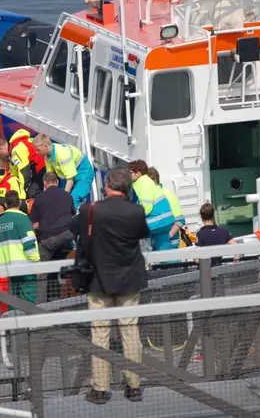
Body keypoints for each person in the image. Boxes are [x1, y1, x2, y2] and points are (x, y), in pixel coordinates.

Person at [69, 168, 148, 405]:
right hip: (129, 278)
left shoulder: (90, 210)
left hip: (98, 279)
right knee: (130, 331)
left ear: (107, 185)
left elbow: (73, 228)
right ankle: (134, 386)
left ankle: (100, 389)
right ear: (127, 187)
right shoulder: (136, 211)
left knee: (100, 334)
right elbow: (142, 234)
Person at [30, 172, 75, 301]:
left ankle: (41, 305)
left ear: (44, 183)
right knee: (65, 268)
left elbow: (34, 223)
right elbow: (71, 213)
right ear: (57, 181)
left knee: (42, 273)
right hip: (66, 237)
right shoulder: (67, 196)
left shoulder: (39, 198)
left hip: (48, 240)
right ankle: (66, 300)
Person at [0, 190, 40, 306]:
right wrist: (37, 263)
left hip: (9, 269)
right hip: (26, 268)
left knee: (14, 302)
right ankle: (27, 324)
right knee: (28, 303)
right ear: (19, 202)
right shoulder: (22, 219)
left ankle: (13, 324)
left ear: (5, 205)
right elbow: (29, 245)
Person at [32, 133, 94, 210]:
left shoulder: (62, 154)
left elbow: (70, 180)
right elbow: (49, 178)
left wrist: (63, 200)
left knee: (73, 200)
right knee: (58, 197)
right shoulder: (48, 156)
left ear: (45, 146)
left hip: (83, 173)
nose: (37, 152)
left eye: (38, 150)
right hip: (68, 176)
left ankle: (71, 218)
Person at [128, 160, 175, 251]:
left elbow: (146, 208)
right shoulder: (147, 182)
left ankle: (139, 260)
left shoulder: (142, 183)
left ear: (138, 173)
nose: (128, 175)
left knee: (133, 230)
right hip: (166, 220)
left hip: (159, 219)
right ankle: (172, 264)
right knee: (165, 253)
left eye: (130, 172)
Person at [147, 167, 186, 248]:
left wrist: (168, 236)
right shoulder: (150, 195)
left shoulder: (167, 195)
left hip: (168, 245)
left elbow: (180, 220)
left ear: (154, 180)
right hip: (155, 245)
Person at [9, 129, 46, 199]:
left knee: (31, 194)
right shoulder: (30, 140)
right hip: (49, 166)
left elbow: (24, 172)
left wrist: (22, 191)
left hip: (42, 168)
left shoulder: (17, 148)